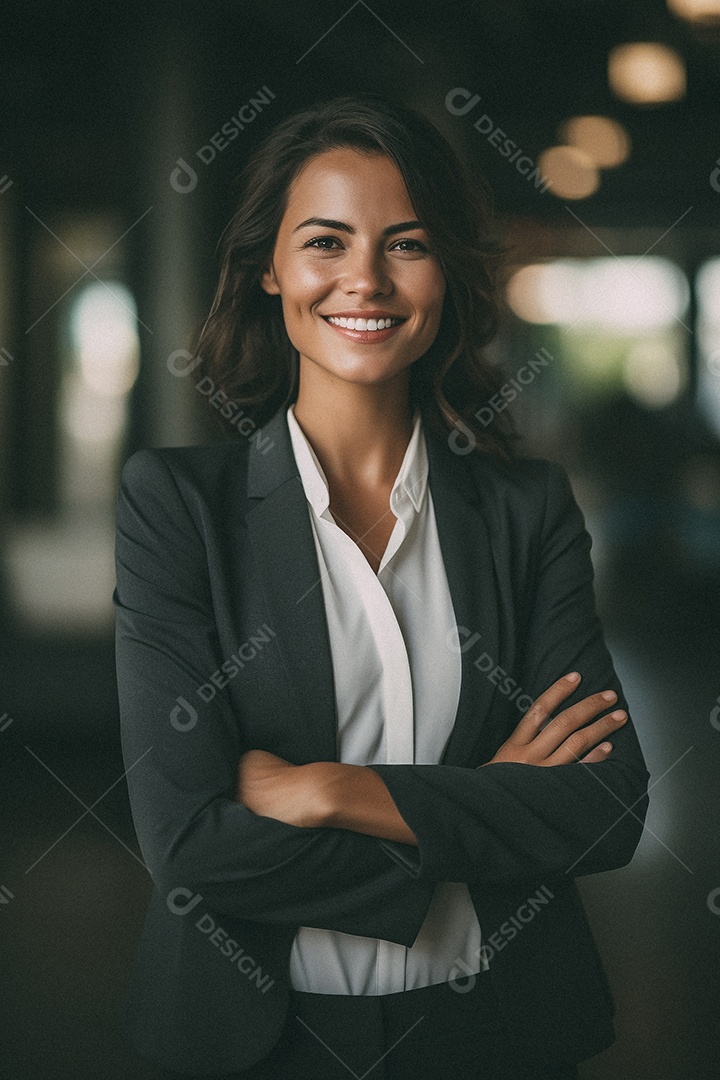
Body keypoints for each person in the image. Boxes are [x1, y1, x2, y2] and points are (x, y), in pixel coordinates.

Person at [113, 94, 650, 1080]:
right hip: (259, 1044)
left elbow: (605, 810)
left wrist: (326, 791)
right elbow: (190, 847)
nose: (364, 277)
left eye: (405, 243)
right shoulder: (177, 506)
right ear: (270, 268)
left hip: (499, 1035)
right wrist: (486, 811)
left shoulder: (525, 512)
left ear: (445, 270)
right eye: (326, 241)